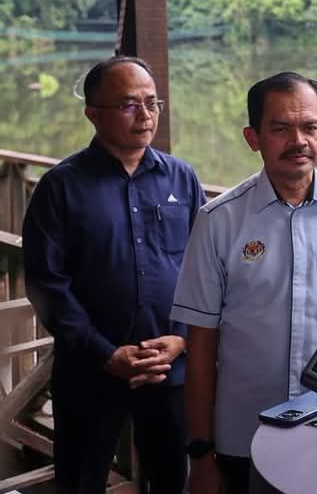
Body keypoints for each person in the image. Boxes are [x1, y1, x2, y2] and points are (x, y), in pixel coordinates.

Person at [171, 72, 317, 493]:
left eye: (310, 127)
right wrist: (200, 455)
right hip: (243, 436)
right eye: (280, 128)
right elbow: (201, 348)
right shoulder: (218, 221)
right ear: (252, 137)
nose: (298, 140)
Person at [23, 56, 204, 494]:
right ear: (93, 113)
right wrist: (105, 353)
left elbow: (205, 268)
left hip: (169, 368)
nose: (145, 115)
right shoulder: (61, 186)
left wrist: (181, 338)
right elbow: (47, 284)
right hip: (90, 369)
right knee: (81, 480)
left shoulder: (181, 176)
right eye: (128, 105)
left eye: (151, 102)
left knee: (171, 478)